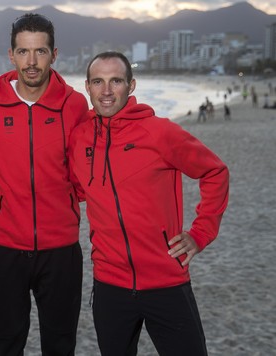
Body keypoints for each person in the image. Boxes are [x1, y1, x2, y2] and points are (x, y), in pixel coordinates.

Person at [69, 51, 229, 356]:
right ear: (86, 87)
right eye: (98, 82)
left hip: (165, 280)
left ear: (131, 86)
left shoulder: (159, 132)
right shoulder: (79, 140)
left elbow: (215, 172)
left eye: (115, 81)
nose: (106, 91)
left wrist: (200, 233)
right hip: (109, 284)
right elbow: (78, 190)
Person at [0, 13, 89, 355]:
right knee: (7, 344)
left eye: (40, 52)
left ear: (54, 54)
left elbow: (82, 171)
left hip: (61, 250)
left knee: (60, 344)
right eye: (23, 52)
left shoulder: (74, 104)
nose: (32, 61)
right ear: (11, 55)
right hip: (4, 248)